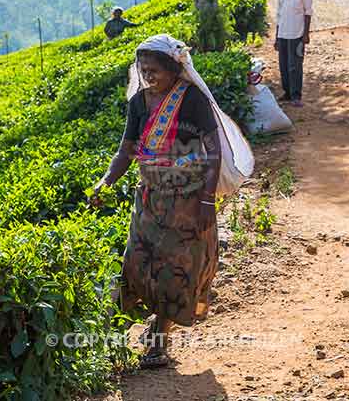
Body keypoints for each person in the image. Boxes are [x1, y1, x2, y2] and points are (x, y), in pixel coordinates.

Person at [90, 34, 253, 368]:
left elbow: (212, 149)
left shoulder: (191, 99)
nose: (148, 75)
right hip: (150, 199)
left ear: (172, 68)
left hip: (188, 201)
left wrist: (207, 199)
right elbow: (127, 149)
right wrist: (106, 180)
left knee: (175, 270)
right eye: (143, 69)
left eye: (154, 70)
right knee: (136, 263)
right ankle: (110, 337)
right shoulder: (138, 103)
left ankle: (158, 342)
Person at [275, 0, 313, 107]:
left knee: (295, 66)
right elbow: (279, 15)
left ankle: (296, 96)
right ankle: (287, 93)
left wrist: (306, 34)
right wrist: (276, 37)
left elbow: (308, 12)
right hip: (283, 34)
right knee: (283, 66)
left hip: (297, 34)